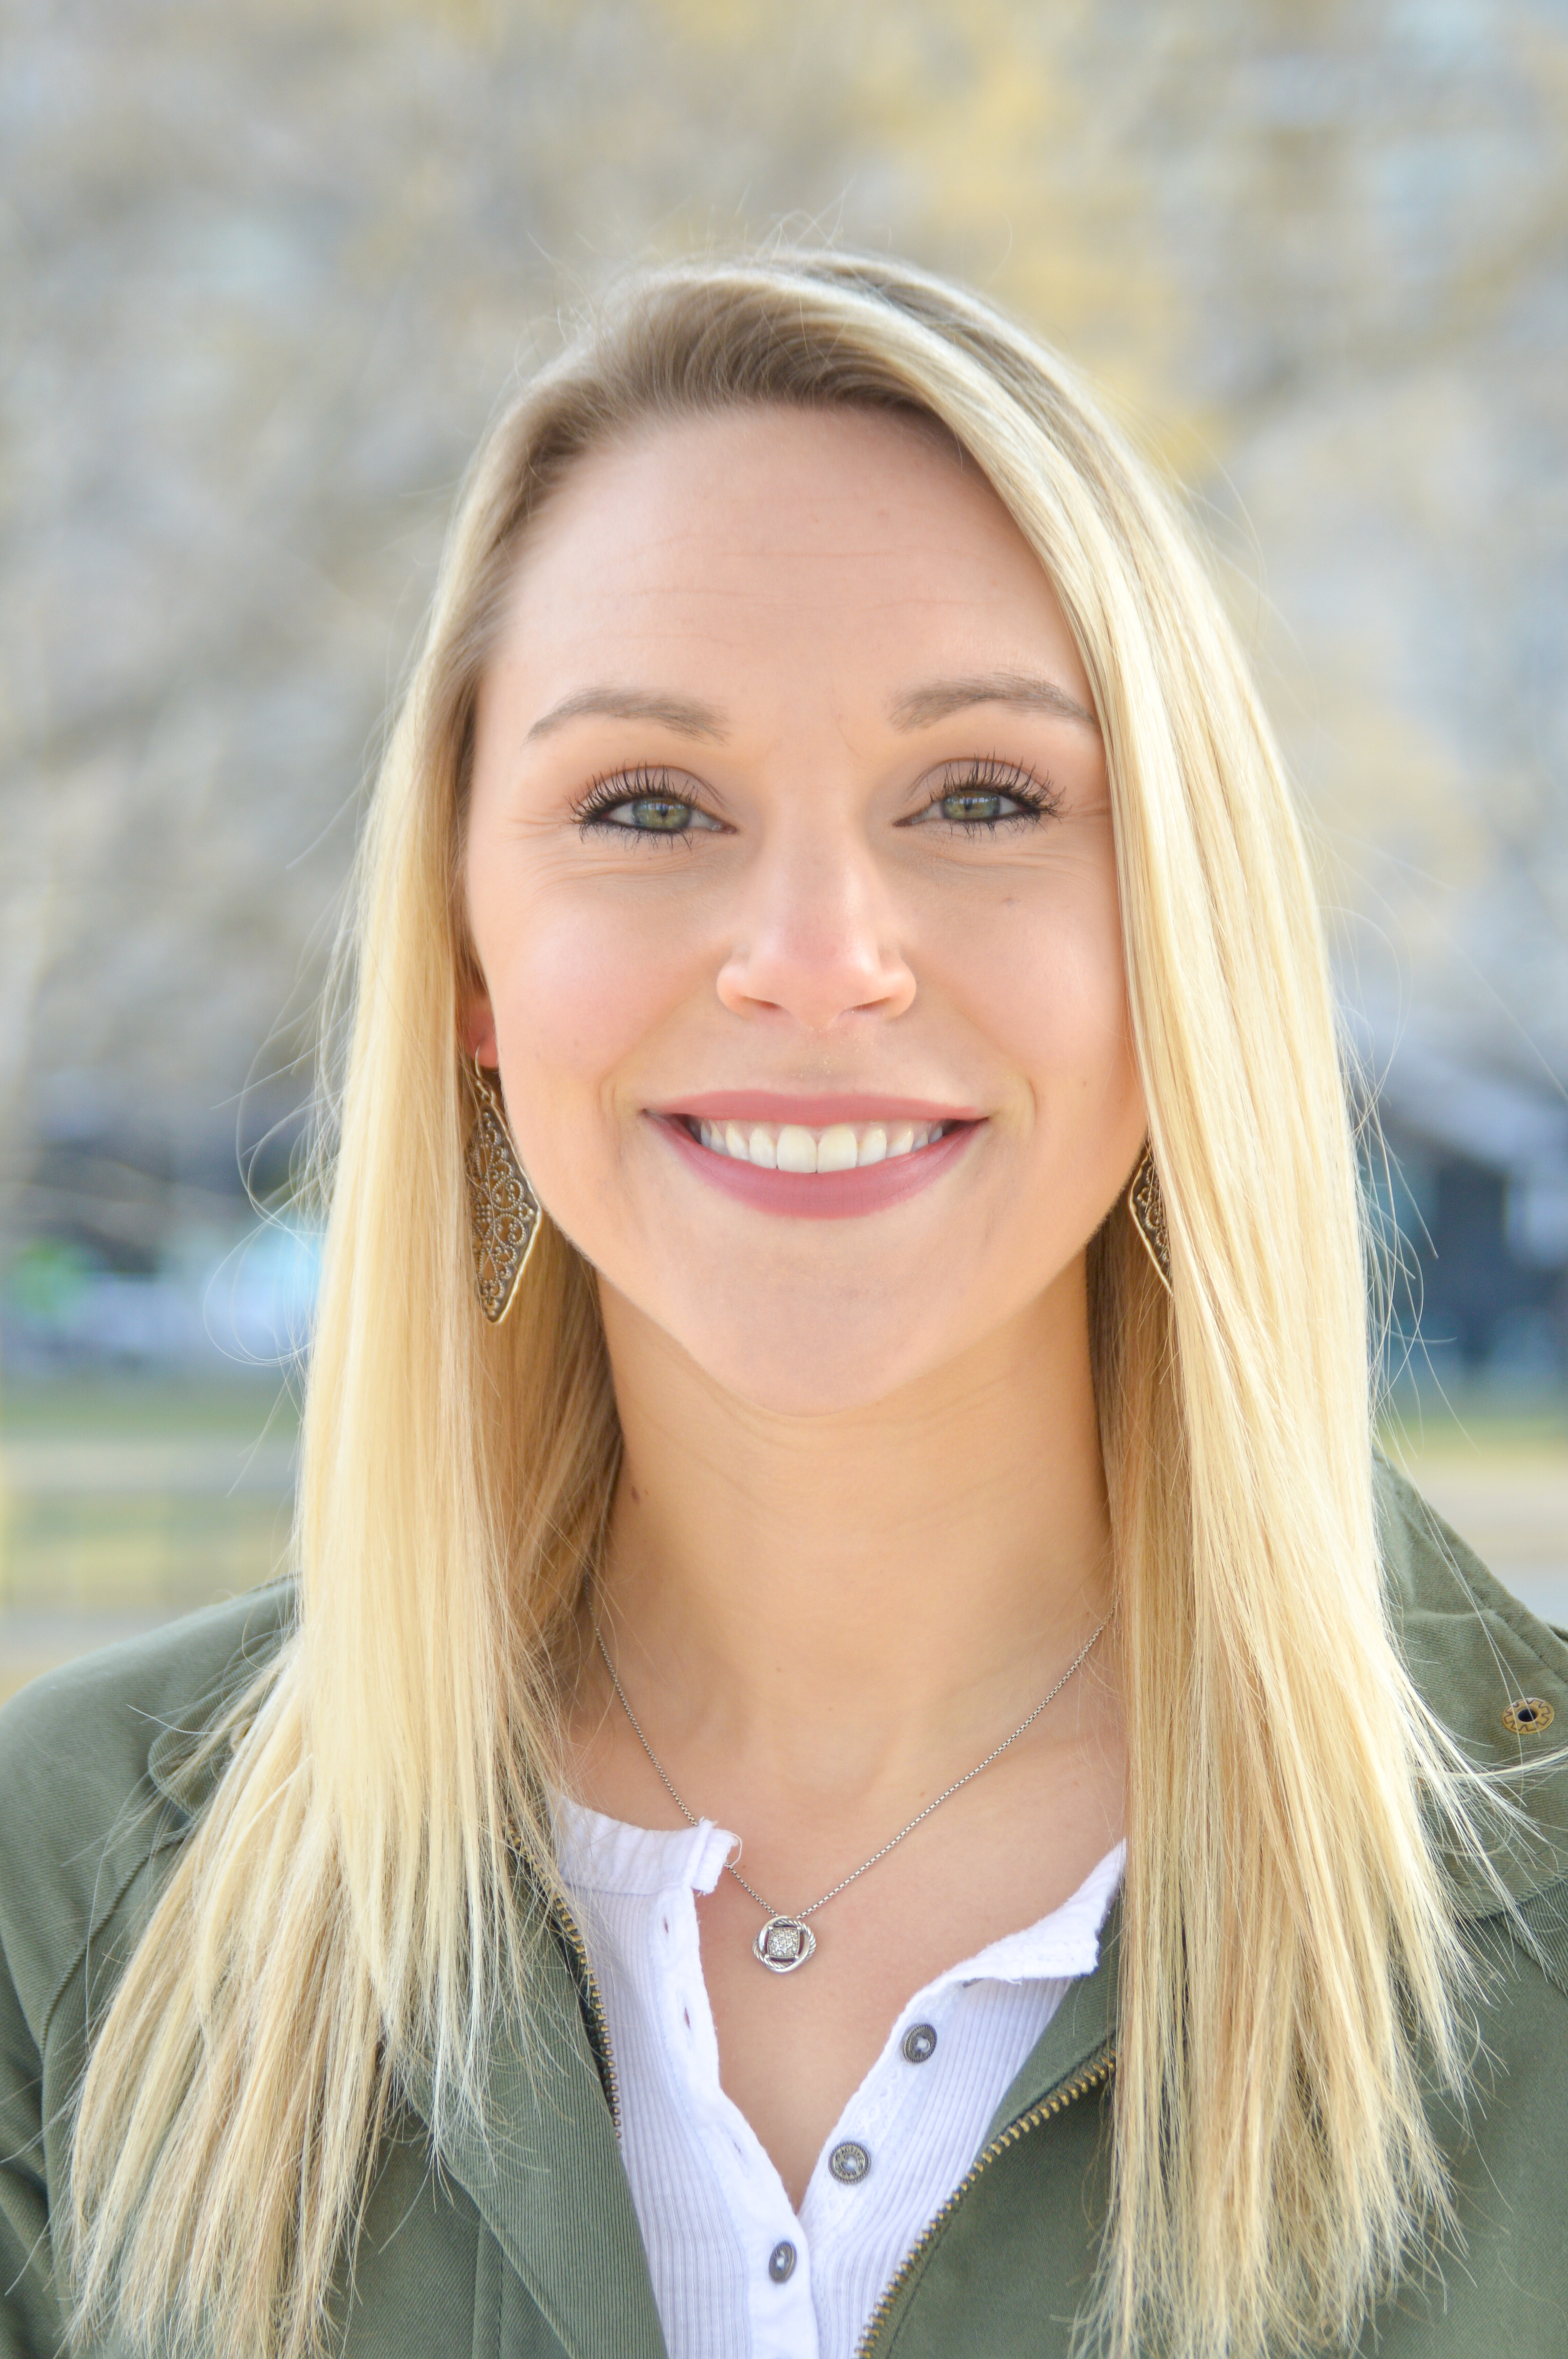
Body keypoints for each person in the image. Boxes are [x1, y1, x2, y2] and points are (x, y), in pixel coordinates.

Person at [2, 250, 1566, 2359]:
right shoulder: (68, 1900)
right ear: (468, 956)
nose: (819, 955)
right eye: (646, 804)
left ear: (1176, 932)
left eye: (986, 797)